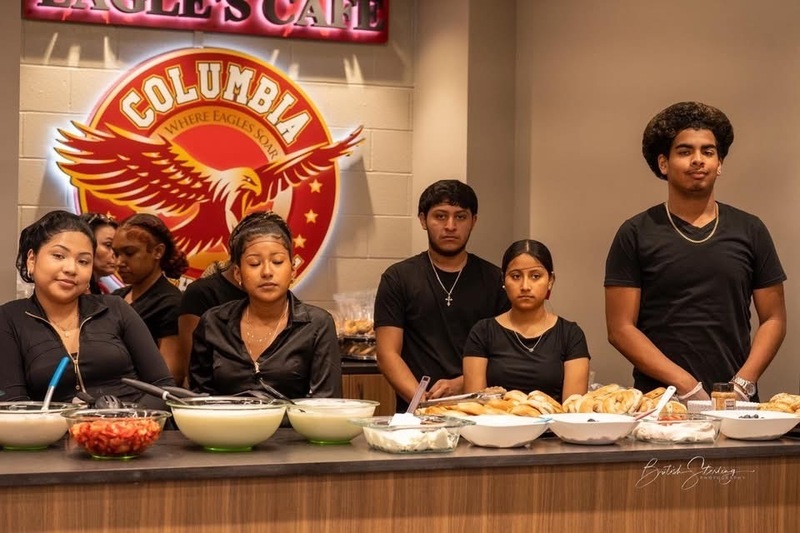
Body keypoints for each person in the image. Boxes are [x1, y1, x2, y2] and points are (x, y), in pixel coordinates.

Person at [605, 101, 787, 403]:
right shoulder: (635, 233)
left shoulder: (750, 229)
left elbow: (774, 319)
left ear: (720, 164)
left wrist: (742, 384)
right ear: (663, 164)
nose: (698, 160)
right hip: (661, 400)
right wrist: (687, 387)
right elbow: (620, 328)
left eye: (708, 151)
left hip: (737, 402)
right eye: (685, 151)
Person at [0, 211, 174, 407]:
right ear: (32, 259)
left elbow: (162, 386)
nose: (71, 269)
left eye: (83, 261)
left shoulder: (116, 308)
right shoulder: (9, 318)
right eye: (59, 256)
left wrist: (125, 421)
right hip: (52, 433)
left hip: (133, 429)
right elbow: (12, 403)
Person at [374, 179, 509, 411]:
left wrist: (461, 386)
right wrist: (424, 401)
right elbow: (387, 353)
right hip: (417, 414)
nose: (450, 226)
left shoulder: (495, 280)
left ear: (473, 221)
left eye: (460, 216)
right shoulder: (397, 278)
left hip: (481, 412)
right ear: (422, 220)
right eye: (440, 216)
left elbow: (505, 355)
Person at [189, 211, 341, 398]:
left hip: (295, 427)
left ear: (293, 270)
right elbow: (199, 399)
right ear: (238, 274)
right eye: (254, 264)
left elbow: (327, 403)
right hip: (224, 425)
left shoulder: (317, 324)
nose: (267, 272)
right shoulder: (213, 323)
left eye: (277, 262)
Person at [463, 240, 590, 402]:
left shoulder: (571, 335)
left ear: (550, 280)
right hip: (496, 424)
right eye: (516, 276)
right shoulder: (482, 332)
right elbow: (475, 407)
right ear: (503, 280)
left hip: (554, 426)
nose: (525, 286)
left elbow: (573, 411)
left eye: (535, 276)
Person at [112, 213, 189, 385]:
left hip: (143, 401)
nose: (119, 262)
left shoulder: (171, 303)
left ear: (157, 251)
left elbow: (170, 375)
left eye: (129, 253)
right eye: (116, 254)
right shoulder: (116, 297)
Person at [78, 212, 119, 294]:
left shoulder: (103, 290)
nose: (116, 254)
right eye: (108, 245)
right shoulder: (70, 288)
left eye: (117, 247)